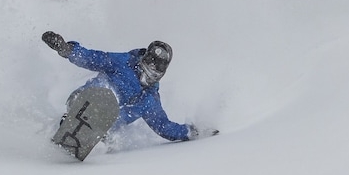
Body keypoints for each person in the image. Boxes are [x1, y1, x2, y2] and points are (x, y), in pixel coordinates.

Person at [41, 31, 217, 144]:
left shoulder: (150, 100)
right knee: (106, 89)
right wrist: (66, 49)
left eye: (158, 68)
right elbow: (91, 57)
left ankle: (99, 136)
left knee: (117, 116)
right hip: (85, 98)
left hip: (106, 126)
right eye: (150, 63)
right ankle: (74, 118)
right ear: (144, 58)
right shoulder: (123, 62)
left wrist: (194, 132)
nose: (152, 69)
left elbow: (164, 126)